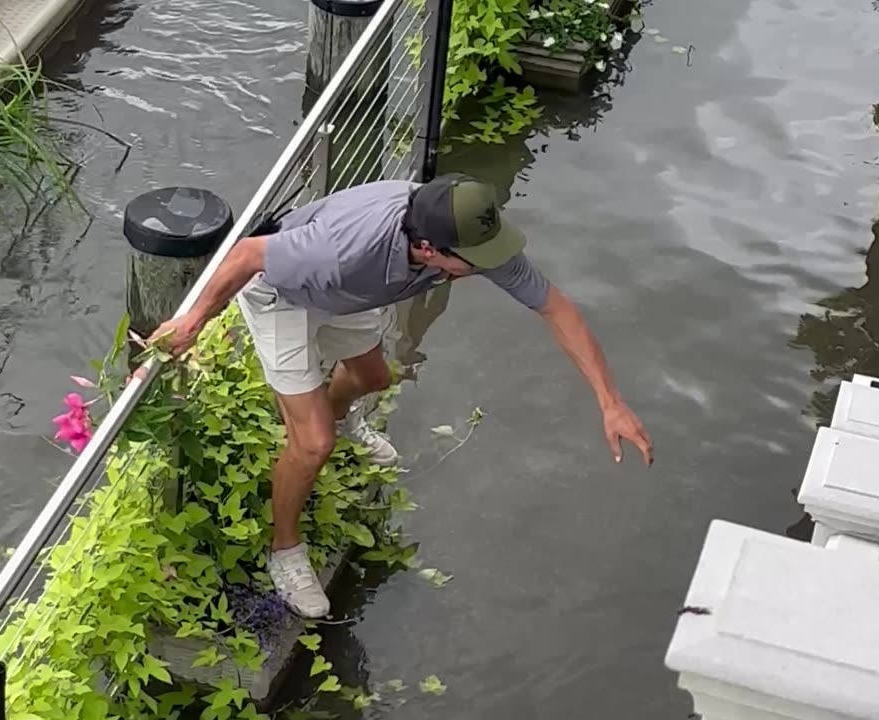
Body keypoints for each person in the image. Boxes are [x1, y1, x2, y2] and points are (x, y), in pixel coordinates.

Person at [149, 173, 653, 618]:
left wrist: (610, 400)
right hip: (279, 292)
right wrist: (192, 322)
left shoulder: (467, 240)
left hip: (345, 294)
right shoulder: (345, 247)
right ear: (430, 250)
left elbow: (556, 308)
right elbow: (246, 255)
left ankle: (342, 420)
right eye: (474, 262)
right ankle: (284, 550)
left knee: (373, 378)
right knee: (312, 443)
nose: (487, 268)